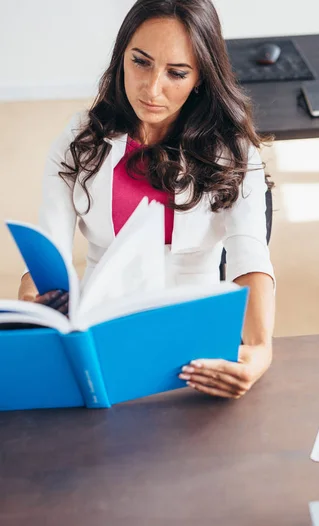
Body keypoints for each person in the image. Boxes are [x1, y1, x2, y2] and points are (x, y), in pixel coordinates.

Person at [18, 0, 276, 400]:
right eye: (140, 62)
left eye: (176, 73)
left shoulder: (235, 153)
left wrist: (260, 351)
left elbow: (250, 259)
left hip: (193, 340)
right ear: (122, 56)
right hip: (101, 324)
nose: (152, 88)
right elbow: (48, 252)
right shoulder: (78, 140)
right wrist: (35, 302)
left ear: (201, 79)